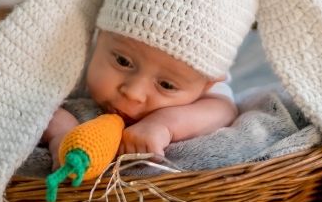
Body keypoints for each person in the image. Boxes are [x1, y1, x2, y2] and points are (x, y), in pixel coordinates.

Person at [41, 27, 238, 162]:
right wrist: (59, 127)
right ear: (99, 35)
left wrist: (163, 124)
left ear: (207, 85)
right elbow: (23, 96)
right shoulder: (73, 60)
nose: (133, 93)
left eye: (166, 85)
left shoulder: (203, 75)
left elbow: (224, 109)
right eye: (123, 61)